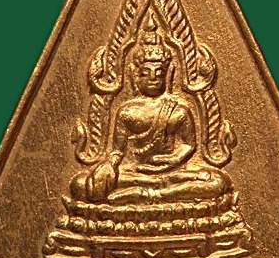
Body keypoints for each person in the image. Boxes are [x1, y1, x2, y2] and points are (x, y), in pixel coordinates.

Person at [70, 13, 232, 204]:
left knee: (218, 181)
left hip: (174, 173)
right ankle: (152, 189)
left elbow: (189, 145)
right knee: (81, 184)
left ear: (169, 74)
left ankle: (153, 195)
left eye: (159, 72)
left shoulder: (179, 110)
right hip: (135, 173)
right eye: (146, 73)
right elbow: (117, 152)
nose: (153, 78)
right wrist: (109, 165)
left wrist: (174, 159)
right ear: (134, 75)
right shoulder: (126, 111)